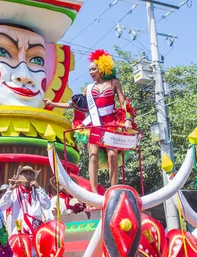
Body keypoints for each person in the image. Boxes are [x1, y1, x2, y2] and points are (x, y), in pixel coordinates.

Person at [44, 49, 134, 194]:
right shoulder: (89, 88)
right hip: (94, 125)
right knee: (93, 156)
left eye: (94, 69)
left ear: (103, 68)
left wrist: (128, 119)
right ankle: (93, 192)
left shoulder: (114, 82)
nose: (91, 72)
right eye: (90, 70)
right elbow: (74, 104)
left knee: (112, 156)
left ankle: (113, 190)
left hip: (111, 125)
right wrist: (53, 104)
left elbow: (124, 103)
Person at [0, 166, 51, 236]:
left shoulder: (39, 192)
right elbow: (1, 207)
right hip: (19, 235)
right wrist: (10, 189)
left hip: (36, 235)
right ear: (20, 177)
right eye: (26, 174)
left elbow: (47, 205)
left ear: (34, 178)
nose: (29, 177)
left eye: (31, 174)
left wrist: (38, 188)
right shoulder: (14, 192)